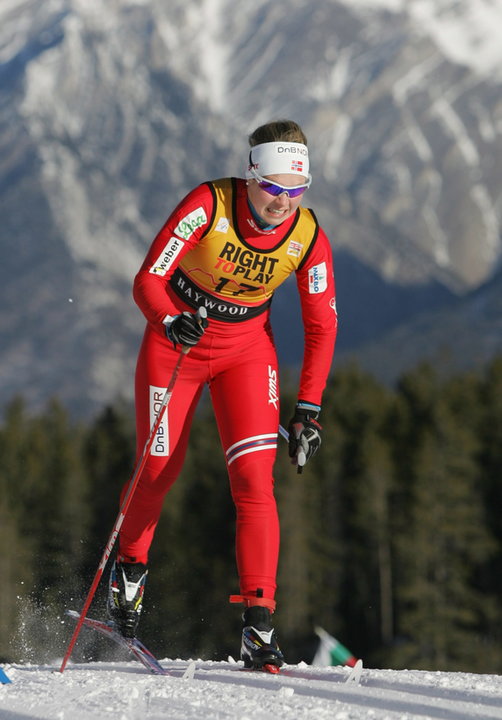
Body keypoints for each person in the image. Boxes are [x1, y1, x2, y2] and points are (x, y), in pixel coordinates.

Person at [108, 119, 338, 670]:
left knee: (255, 482)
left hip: (247, 352)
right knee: (158, 469)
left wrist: (308, 408)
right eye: (273, 188)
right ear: (251, 174)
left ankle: (259, 627)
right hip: (177, 349)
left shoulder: (308, 237)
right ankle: (130, 574)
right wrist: (168, 320)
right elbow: (147, 279)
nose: (283, 202)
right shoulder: (207, 205)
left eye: (296, 190)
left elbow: (322, 326)